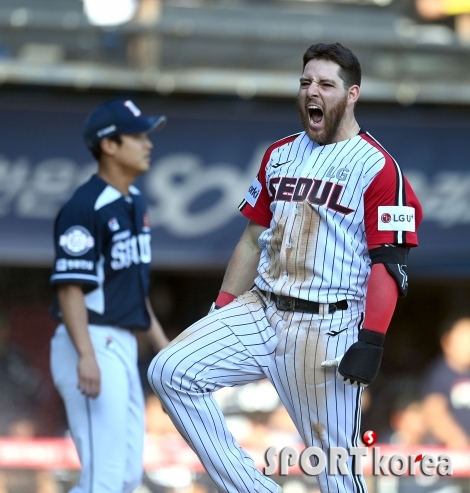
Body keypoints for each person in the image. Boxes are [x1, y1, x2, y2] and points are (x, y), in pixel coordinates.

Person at [148, 42, 423, 493]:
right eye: (306, 82)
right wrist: (221, 310)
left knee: (335, 471)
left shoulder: (378, 168)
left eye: (326, 84)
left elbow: (389, 264)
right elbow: (255, 237)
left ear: (352, 94)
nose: (312, 91)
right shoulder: (279, 153)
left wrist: (372, 340)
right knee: (170, 371)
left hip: (326, 326)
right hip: (262, 307)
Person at [49, 99, 170, 493]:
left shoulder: (134, 201)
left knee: (125, 477)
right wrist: (86, 354)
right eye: (137, 136)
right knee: (102, 478)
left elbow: (133, 293)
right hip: (90, 340)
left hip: (120, 343)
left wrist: (165, 352)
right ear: (109, 145)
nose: (147, 143)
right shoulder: (85, 206)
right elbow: (70, 287)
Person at [422, 316, 470, 449]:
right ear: (447, 341)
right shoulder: (439, 374)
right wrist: (457, 440)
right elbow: (434, 412)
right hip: (453, 456)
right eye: (464, 339)